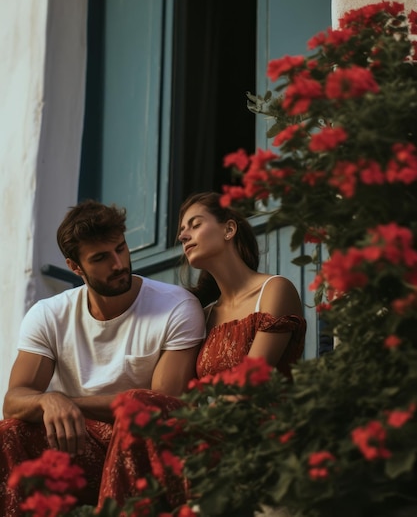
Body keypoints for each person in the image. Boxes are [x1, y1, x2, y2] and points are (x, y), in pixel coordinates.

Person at [0, 200, 206, 515]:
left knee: (138, 406)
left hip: (142, 447)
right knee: (8, 432)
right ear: (75, 266)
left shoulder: (176, 306)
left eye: (121, 249)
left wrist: (66, 401)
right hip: (74, 444)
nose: (119, 263)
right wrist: (46, 402)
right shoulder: (49, 315)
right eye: (101, 258)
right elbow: (14, 400)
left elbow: (162, 402)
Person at [177, 191, 306, 380]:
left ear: (229, 230)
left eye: (195, 225)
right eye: (182, 230)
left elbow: (251, 380)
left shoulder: (275, 290)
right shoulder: (204, 317)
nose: (183, 236)